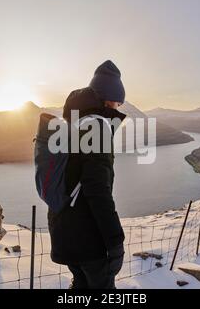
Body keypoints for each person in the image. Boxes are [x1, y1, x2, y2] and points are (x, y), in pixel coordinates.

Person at [48, 60, 126, 289]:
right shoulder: (97, 127)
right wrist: (115, 242)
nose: (119, 106)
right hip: (89, 240)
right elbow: (97, 190)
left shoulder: (73, 123)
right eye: (118, 100)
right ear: (106, 99)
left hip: (63, 230)